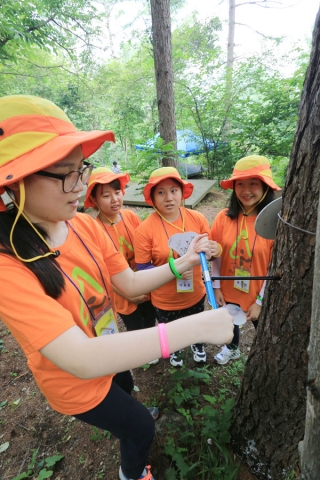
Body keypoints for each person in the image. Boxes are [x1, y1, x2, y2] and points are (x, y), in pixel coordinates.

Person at [0, 95, 234, 480]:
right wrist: (194, 328)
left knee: (125, 383)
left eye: (82, 169)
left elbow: (129, 282)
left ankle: (124, 412)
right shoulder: (9, 265)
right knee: (141, 427)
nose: (82, 184)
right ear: (14, 180)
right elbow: (80, 358)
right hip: (75, 382)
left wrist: (186, 262)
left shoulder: (85, 227)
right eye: (66, 173)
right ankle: (133, 473)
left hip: (112, 348)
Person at [134, 167, 222, 367]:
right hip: (165, 300)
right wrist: (173, 272)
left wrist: (212, 250)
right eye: (161, 192)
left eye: (173, 190)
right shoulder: (144, 230)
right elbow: (143, 268)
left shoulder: (196, 219)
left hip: (196, 293)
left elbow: (207, 251)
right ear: (153, 198)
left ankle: (197, 345)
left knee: (197, 323)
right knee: (170, 329)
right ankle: (175, 351)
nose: (169, 197)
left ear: (182, 193)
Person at [211, 155, 281, 365]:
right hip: (228, 289)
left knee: (266, 332)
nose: (246, 190)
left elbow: (274, 267)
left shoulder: (274, 222)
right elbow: (216, 255)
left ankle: (267, 364)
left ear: (265, 186)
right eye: (240, 183)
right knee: (230, 322)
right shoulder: (224, 217)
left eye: (253, 183)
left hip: (259, 293)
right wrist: (216, 287)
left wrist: (260, 302)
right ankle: (232, 348)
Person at [84, 167, 159, 365]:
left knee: (150, 318)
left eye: (117, 193)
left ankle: (152, 347)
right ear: (94, 200)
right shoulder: (94, 229)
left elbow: (145, 249)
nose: (114, 199)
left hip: (144, 283)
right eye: (106, 195)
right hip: (121, 292)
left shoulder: (131, 217)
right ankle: (140, 353)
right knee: (134, 324)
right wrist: (127, 294)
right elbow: (101, 271)